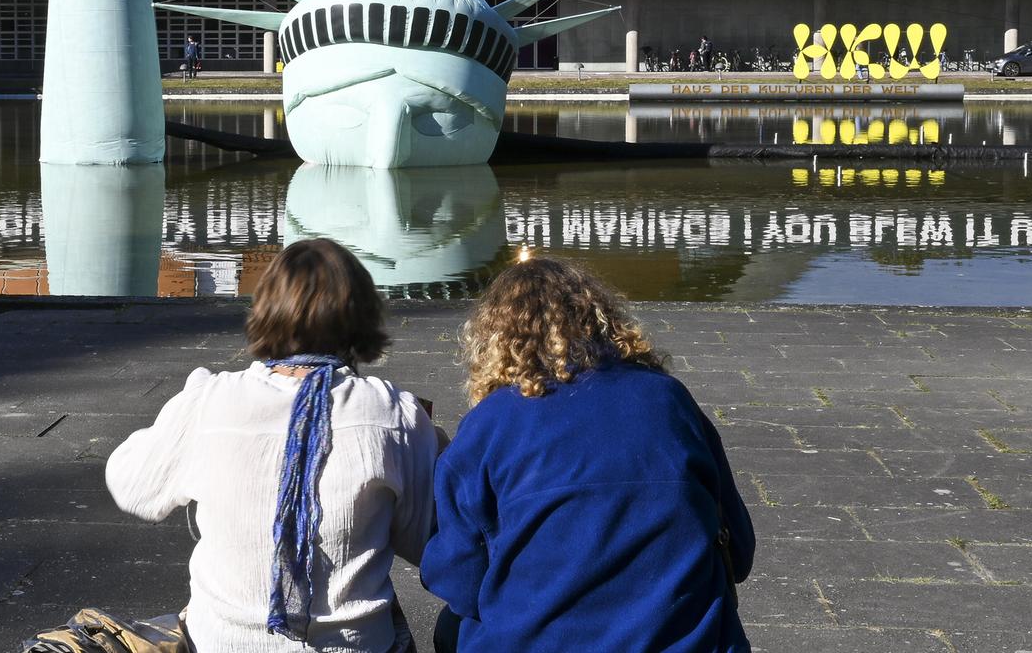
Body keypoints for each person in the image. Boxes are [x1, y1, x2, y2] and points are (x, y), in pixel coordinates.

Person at [106, 238, 438, 652]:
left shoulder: (209, 399)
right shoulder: (395, 414)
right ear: (362, 316)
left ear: (265, 310)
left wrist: (173, 429)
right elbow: (425, 542)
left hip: (221, 643)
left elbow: (132, 486)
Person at [422, 258, 753, 652]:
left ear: (493, 341)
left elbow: (456, 578)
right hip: (686, 642)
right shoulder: (669, 398)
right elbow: (739, 550)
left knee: (452, 627)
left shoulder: (489, 423)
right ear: (604, 321)